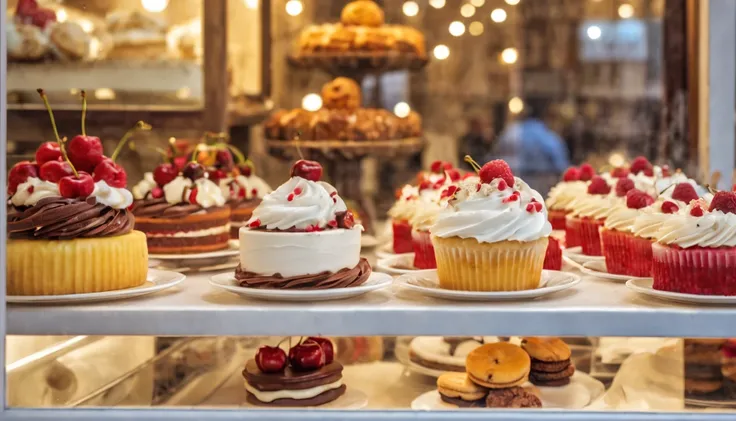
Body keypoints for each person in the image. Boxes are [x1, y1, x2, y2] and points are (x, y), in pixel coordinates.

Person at [493, 98, 570, 195]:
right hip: (540, 185)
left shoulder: (510, 132)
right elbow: (561, 165)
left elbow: (494, 157)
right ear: (544, 116)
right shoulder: (547, 136)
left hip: (509, 186)